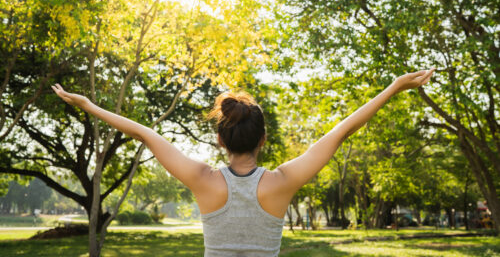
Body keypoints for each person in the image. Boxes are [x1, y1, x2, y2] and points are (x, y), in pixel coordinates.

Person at [51, 68, 434, 256]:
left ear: (219, 140)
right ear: (264, 141)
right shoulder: (282, 182)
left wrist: (89, 105)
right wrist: (395, 86)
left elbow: (145, 134)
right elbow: (341, 131)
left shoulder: (203, 180)